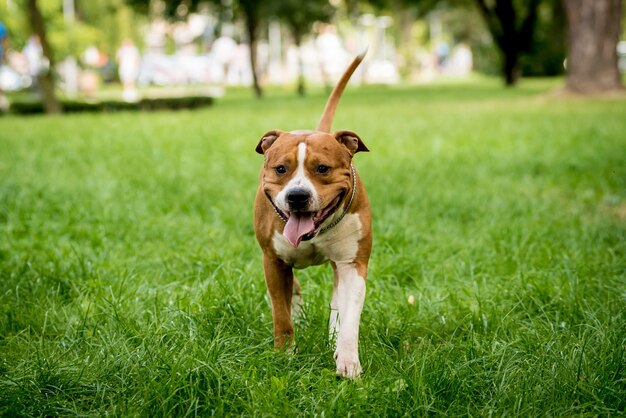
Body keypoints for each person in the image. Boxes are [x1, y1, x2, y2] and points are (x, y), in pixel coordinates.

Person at [0, 21, 10, 111]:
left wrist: (6, 53)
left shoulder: (1, 26)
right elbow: (5, 41)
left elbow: (5, 41)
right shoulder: (1, 26)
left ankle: (2, 101)